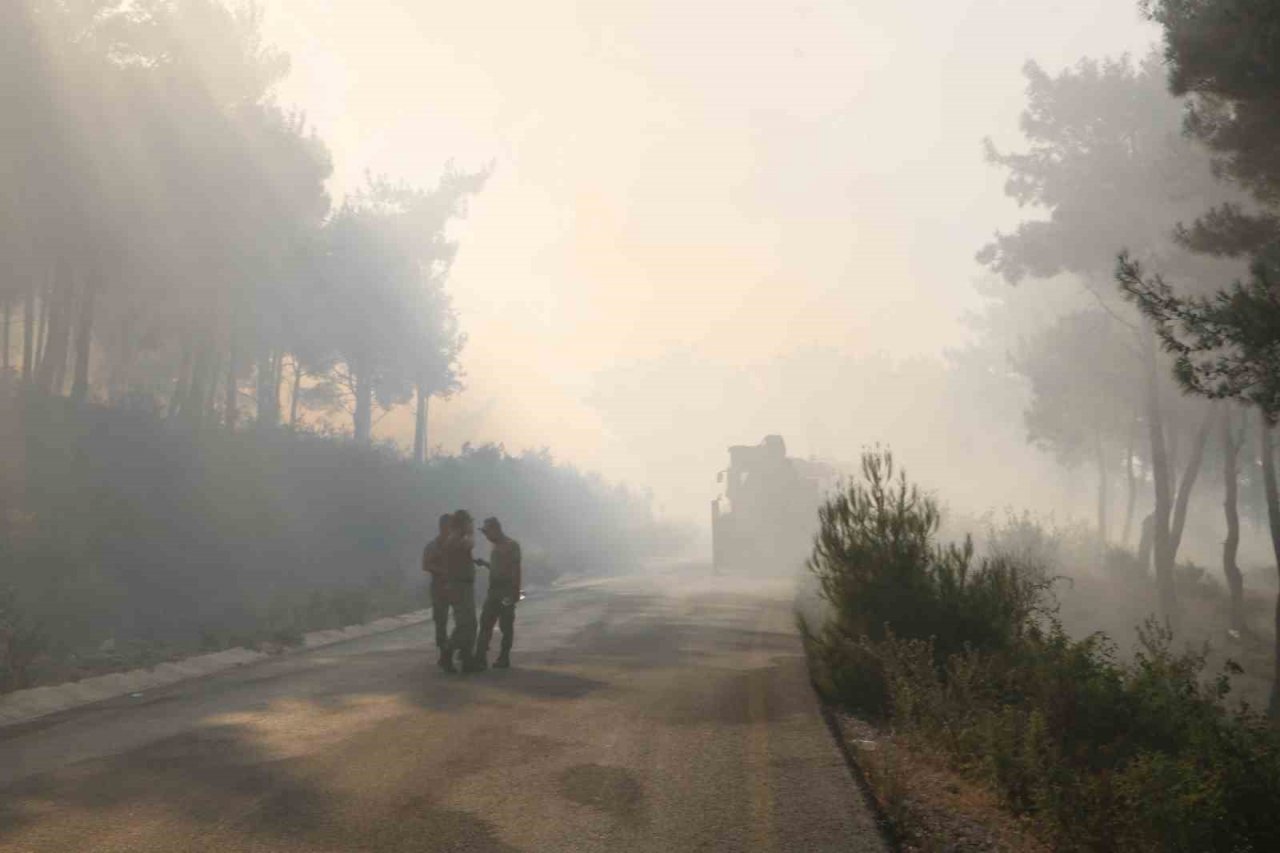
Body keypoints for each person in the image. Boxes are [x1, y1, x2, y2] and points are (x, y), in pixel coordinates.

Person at [475, 516, 521, 670]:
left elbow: (515, 570)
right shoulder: (495, 546)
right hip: (493, 590)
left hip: (507, 591)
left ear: (495, 530)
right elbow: (498, 568)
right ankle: (480, 658)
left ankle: (504, 657)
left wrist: (515, 592)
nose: (486, 536)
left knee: (506, 625)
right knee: (485, 623)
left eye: (487, 532)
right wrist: (485, 564)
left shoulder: (511, 545)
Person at [441, 509, 481, 673]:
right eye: (469, 522)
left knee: (469, 624)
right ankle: (448, 653)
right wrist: (470, 533)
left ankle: (466, 658)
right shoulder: (455, 540)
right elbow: (469, 544)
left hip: (462, 585)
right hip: (459, 587)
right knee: (466, 624)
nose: (471, 525)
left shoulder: (455, 539)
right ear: (462, 523)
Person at [422, 513, 454, 672]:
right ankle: (445, 655)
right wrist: (442, 571)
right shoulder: (432, 546)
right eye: (450, 525)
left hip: (455, 587)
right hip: (439, 588)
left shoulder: (456, 544)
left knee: (463, 621)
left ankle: (453, 652)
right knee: (441, 623)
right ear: (443, 527)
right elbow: (426, 565)